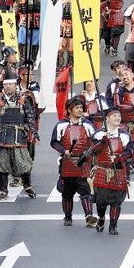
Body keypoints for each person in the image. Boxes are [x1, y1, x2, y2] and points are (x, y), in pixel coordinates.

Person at [80, 106, 133, 235]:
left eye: (119, 116)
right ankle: (102, 218)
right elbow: (92, 150)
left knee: (117, 201)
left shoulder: (124, 135)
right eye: (114, 116)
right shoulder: (99, 134)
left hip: (118, 171)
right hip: (102, 171)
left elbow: (130, 151)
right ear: (107, 118)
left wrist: (119, 157)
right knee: (101, 202)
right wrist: (103, 141)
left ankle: (113, 226)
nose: (117, 118)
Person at [49, 96, 98, 227]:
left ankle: (89, 215)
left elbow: (95, 141)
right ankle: (68, 216)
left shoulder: (88, 124)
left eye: (81, 107)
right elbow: (54, 142)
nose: (80, 110)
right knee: (67, 191)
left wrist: (91, 154)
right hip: (67, 163)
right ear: (70, 110)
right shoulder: (61, 125)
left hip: (84, 162)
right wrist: (63, 150)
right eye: (77, 107)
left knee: (85, 189)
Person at [0, 73, 37, 200]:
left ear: (15, 85)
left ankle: (27, 186)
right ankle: (4, 191)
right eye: (6, 84)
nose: (9, 87)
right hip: (3, 135)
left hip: (19, 135)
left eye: (11, 84)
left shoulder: (23, 98)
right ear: (3, 85)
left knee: (23, 163)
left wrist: (34, 132)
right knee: (1, 165)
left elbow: (30, 116)